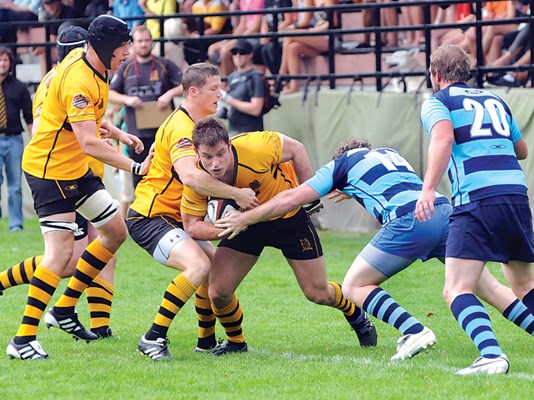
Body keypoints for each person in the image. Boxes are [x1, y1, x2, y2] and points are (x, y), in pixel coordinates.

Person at [216, 136, 534, 361]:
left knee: (355, 285)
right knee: (486, 286)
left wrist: (248, 218)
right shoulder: (389, 154)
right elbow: (385, 184)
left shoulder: (339, 164)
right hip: (443, 210)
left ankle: (414, 330)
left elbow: (291, 199)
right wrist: (351, 189)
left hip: (410, 220)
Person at [4, 15, 153, 361]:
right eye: (123, 46)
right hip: (51, 173)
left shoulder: (89, 65)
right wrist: (133, 165)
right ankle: (23, 338)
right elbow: (87, 141)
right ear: (103, 47)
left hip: (76, 171)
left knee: (115, 232)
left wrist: (118, 133)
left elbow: (84, 119)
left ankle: (65, 308)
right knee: (59, 257)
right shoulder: (78, 79)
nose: (128, 52)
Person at [180, 117, 377, 356]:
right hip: (246, 225)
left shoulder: (256, 146)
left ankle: (355, 314)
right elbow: (192, 226)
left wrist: (309, 192)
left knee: (317, 292)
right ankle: (236, 342)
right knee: (218, 292)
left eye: (221, 154)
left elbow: (297, 149)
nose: (215, 164)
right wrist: (227, 228)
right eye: (207, 157)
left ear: (230, 145)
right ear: (197, 154)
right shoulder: (197, 178)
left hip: (288, 219)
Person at [126, 62, 259, 362]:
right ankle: (153, 337)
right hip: (151, 217)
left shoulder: (193, 125)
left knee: (216, 276)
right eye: (214, 88)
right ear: (194, 91)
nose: (221, 93)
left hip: (174, 218)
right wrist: (238, 194)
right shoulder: (182, 129)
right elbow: (191, 177)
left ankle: (211, 342)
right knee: (199, 266)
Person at [415, 44, 534, 375]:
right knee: (524, 285)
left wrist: (427, 190)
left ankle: (492, 356)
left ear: (436, 75)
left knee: (455, 288)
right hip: (516, 195)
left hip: (477, 198)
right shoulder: (496, 100)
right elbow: (521, 150)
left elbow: (443, 139)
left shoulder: (438, 102)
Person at [109, 24, 183, 188]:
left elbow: (186, 84)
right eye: (140, 41)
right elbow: (110, 94)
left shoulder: (164, 64)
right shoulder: (125, 67)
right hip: (137, 136)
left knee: (169, 177)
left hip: (163, 133)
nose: (144, 44)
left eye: (147, 40)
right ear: (132, 44)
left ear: (152, 42)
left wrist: (170, 94)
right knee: (141, 180)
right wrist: (127, 99)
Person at [0, 46, 32, 232]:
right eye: (0, 59)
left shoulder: (19, 87)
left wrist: (35, 140)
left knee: (15, 185)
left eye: (5, 60)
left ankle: (15, 224)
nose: (2, 63)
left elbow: (29, 117)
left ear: (10, 63)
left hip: (14, 140)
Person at [218, 39, 265, 136]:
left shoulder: (256, 77)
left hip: (251, 133)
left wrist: (228, 99)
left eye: (242, 52)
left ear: (250, 55)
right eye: (235, 53)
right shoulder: (232, 77)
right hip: (232, 130)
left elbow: (256, 109)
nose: (238, 56)